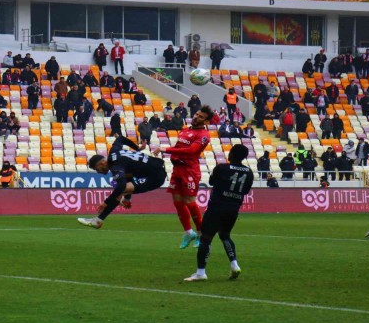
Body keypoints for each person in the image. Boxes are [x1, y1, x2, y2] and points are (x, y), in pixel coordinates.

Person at [183, 144, 253, 282]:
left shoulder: (222, 168)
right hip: (234, 208)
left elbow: (211, 181)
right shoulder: (249, 172)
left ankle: (201, 272)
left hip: (217, 207)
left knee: (205, 238)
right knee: (225, 235)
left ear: (231, 154)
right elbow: (245, 191)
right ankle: (234, 264)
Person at [153, 107, 214, 248]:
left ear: (206, 121)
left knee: (189, 201)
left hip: (190, 170)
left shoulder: (204, 135)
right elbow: (179, 147)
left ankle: (201, 233)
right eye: (196, 114)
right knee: (177, 202)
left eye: (200, 116)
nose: (196, 116)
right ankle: (188, 232)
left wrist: (165, 149)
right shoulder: (185, 130)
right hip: (177, 169)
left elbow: (191, 151)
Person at [77, 136, 164, 229]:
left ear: (102, 163)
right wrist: (137, 148)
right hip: (156, 170)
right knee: (122, 188)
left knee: (120, 190)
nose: (98, 172)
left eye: (96, 169)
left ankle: (98, 220)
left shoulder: (115, 166)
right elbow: (121, 139)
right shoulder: (114, 151)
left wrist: (106, 202)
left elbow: (122, 186)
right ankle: (100, 219)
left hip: (156, 176)